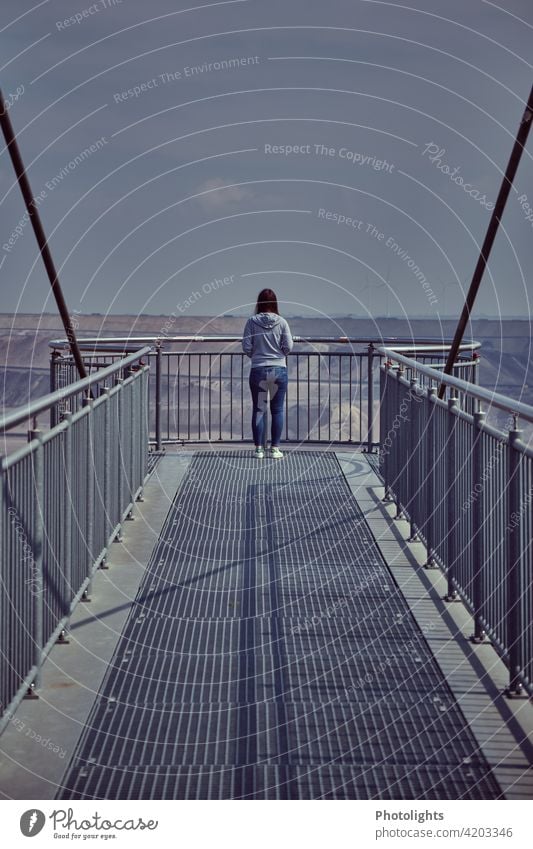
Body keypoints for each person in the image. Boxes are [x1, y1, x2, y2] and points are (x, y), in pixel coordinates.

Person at [242, 289, 293, 458]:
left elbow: (247, 346)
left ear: (259, 303)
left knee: (259, 410)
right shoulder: (282, 322)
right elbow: (288, 346)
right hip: (279, 369)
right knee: (277, 410)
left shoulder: (251, 322)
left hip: (258, 369)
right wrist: (280, 354)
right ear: (275, 303)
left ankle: (259, 449)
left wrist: (256, 356)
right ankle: (275, 448)